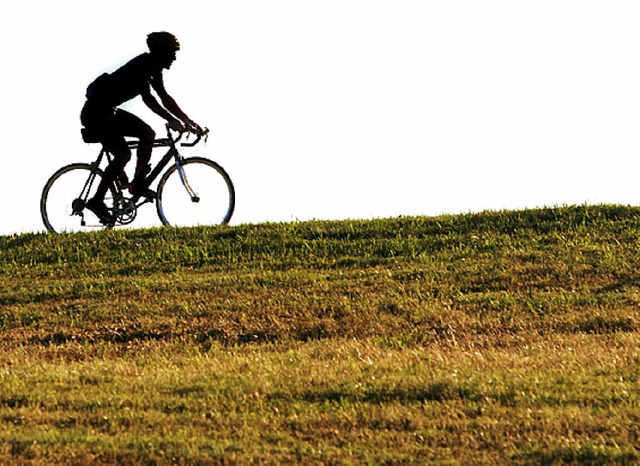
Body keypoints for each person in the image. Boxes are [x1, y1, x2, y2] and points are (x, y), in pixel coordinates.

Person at [80, 31, 201, 223]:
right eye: (171, 53)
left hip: (108, 112)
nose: (175, 57)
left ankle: (137, 184)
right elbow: (149, 99)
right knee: (123, 155)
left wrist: (187, 121)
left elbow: (164, 97)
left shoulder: (154, 68)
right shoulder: (142, 66)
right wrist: (171, 120)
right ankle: (97, 201)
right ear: (160, 52)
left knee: (147, 133)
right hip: (96, 115)